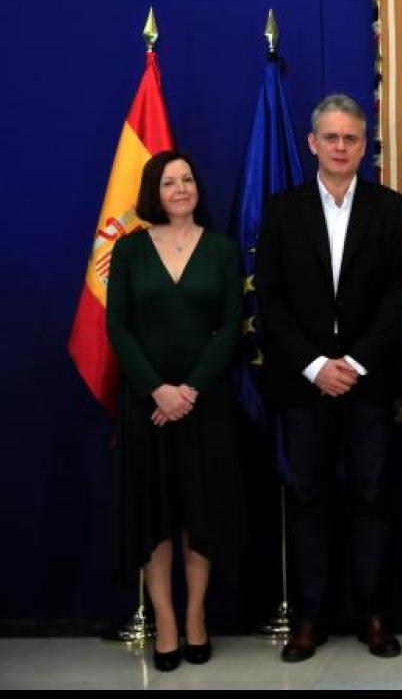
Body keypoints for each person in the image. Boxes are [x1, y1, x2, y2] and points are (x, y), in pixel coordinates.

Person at [255, 94, 402, 662]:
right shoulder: (282, 210)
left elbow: (400, 294)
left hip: (369, 383)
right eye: (331, 137)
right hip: (304, 386)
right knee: (310, 499)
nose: (341, 147)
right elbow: (270, 298)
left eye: (351, 138)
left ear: (364, 145)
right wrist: (317, 365)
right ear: (312, 143)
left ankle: (374, 615)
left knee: (371, 498)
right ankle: (311, 618)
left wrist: (356, 363)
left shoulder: (390, 209)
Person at [106, 150, 247, 672]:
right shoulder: (128, 250)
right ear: (154, 191)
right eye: (170, 182)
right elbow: (118, 328)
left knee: (200, 513)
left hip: (204, 403)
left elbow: (231, 325)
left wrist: (188, 390)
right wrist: (157, 391)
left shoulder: (223, 250)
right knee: (156, 516)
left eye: (188, 179)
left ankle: (195, 617)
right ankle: (164, 622)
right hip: (147, 406)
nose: (182, 188)